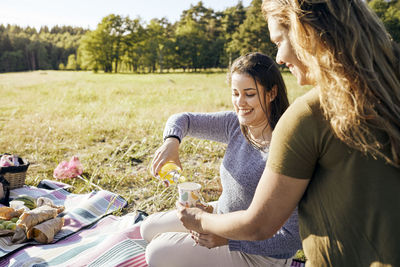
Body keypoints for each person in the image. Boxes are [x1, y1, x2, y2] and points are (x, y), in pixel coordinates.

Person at [177, 1, 400, 266]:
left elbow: (260, 226)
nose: (279, 58)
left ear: (307, 33)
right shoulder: (388, 91)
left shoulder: (308, 115)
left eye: (279, 41)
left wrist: (201, 220)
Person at [140, 52, 302, 267]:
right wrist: (171, 142)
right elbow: (183, 119)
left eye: (250, 94)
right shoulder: (236, 125)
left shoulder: (285, 148)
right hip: (224, 217)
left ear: (272, 93)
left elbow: (292, 239)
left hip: (259, 252)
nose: (240, 102)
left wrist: (229, 240)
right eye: (235, 93)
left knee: (157, 252)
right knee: (148, 228)